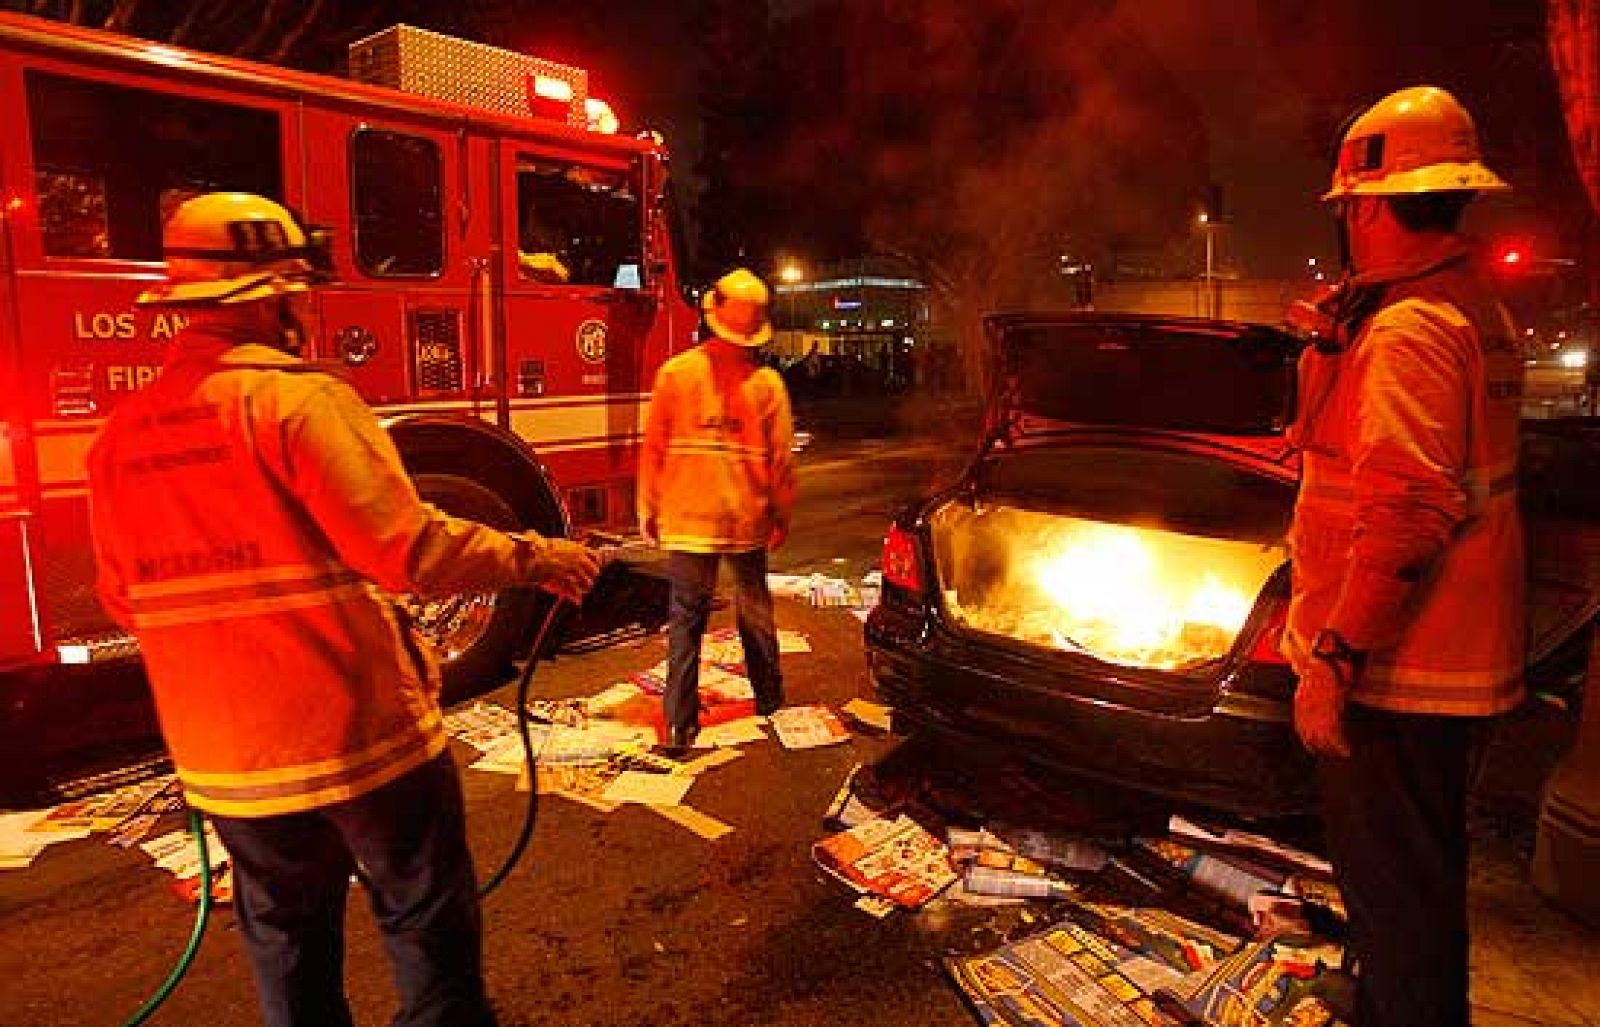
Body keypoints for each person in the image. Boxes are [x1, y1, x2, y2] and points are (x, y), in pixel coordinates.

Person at [86, 192, 600, 1027]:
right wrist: (539, 556)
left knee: (290, 958)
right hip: (360, 743)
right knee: (429, 941)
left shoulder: (120, 437)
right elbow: (408, 550)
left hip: (230, 764)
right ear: (273, 296)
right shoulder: (298, 402)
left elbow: (122, 598)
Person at [1282, 87, 1526, 1026]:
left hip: (1397, 669)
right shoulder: (1467, 306)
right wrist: (1328, 343)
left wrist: (1333, 659)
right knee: (1413, 885)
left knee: (1398, 898)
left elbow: (1406, 515)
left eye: (1350, 207)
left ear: (1374, 206)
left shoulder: (1411, 330)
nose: (1346, 224)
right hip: (1446, 659)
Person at [638, 267, 796, 751]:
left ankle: (679, 724)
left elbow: (654, 448)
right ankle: (770, 699)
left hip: (688, 520)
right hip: (744, 519)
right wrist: (781, 515)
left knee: (686, 621)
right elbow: (781, 463)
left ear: (712, 317)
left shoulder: (675, 375)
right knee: (754, 611)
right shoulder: (767, 386)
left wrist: (648, 506)